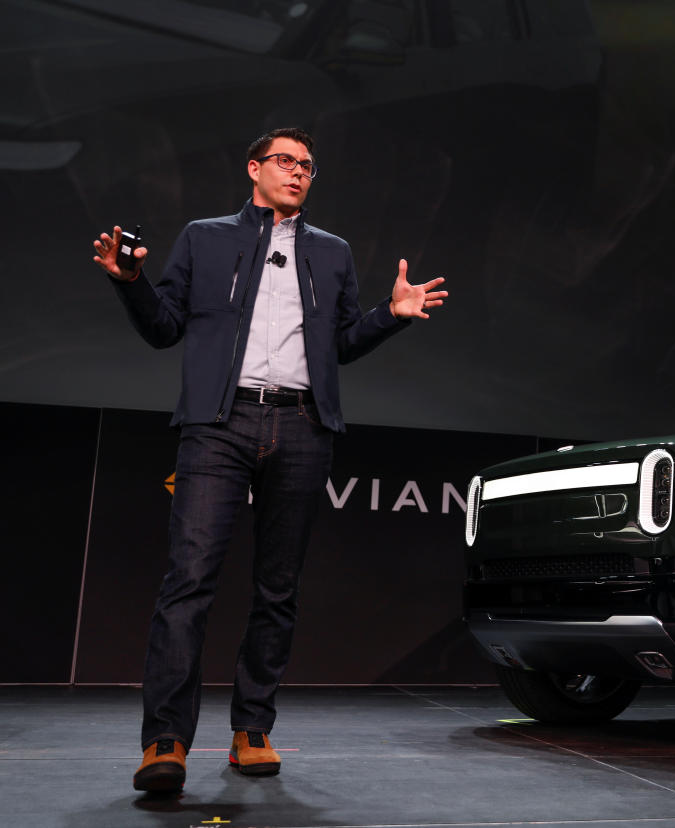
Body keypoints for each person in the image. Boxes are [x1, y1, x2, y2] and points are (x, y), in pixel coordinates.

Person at [92, 127, 448, 793]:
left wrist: (391, 315)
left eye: (308, 166)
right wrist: (132, 280)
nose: (298, 172)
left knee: (278, 587)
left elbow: (339, 344)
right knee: (188, 580)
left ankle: (252, 729)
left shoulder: (332, 252)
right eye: (286, 161)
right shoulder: (205, 237)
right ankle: (164, 742)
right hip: (219, 424)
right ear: (254, 168)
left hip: (303, 425)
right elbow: (164, 326)